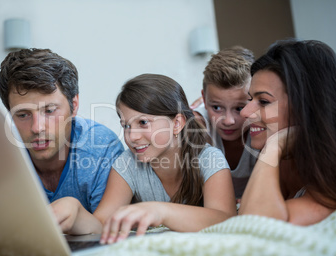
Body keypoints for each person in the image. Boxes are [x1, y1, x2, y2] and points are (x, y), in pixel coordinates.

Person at [52, 74, 236, 244]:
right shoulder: (127, 164)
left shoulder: (209, 159)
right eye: (126, 126)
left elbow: (225, 220)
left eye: (143, 122)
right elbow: (101, 225)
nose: (132, 136)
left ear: (177, 123)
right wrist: (75, 211)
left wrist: (160, 211)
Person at [0, 48, 124, 213]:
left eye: (49, 111)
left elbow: (107, 233)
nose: (37, 128)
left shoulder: (101, 147)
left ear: (74, 105)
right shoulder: (0, 156)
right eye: (22, 114)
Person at [238, 39, 336, 225]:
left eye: (263, 101)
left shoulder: (332, 177)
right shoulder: (283, 164)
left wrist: (274, 146)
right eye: (249, 99)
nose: (244, 112)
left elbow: (256, 227)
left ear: (306, 106)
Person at [193, 46, 257, 200]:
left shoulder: (265, 125)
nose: (228, 121)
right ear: (204, 98)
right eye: (216, 107)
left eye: (240, 108)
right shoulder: (196, 123)